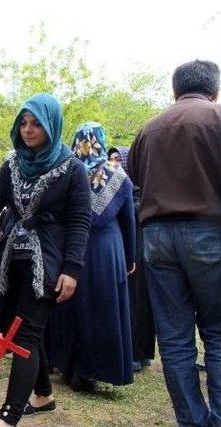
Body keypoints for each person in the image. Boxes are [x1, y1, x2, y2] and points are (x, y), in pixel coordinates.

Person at [0, 93, 91, 427]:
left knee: (25, 337)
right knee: (25, 334)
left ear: (52, 125)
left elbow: (79, 223)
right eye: (23, 124)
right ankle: (42, 396)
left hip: (48, 262)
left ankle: (7, 418)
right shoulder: (12, 162)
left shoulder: (73, 169)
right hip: (10, 261)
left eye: (36, 124)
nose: (28, 131)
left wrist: (71, 269)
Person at [128, 59, 221, 426]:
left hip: (157, 238)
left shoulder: (149, 128)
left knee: (175, 337)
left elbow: (134, 176)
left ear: (174, 90)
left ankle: (192, 420)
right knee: (216, 332)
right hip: (210, 232)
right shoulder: (216, 120)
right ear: (214, 90)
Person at [47, 122, 136, 391]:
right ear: (100, 139)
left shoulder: (65, 170)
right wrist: (130, 256)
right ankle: (92, 371)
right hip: (107, 248)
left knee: (70, 306)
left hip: (72, 246)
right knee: (102, 306)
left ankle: (67, 364)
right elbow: (128, 219)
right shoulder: (117, 173)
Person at [108, 146, 156, 371]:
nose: (114, 163)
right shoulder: (109, 190)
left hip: (140, 251)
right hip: (124, 251)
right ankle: (129, 351)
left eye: (118, 159)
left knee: (139, 303)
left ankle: (140, 353)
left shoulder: (141, 190)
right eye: (111, 160)